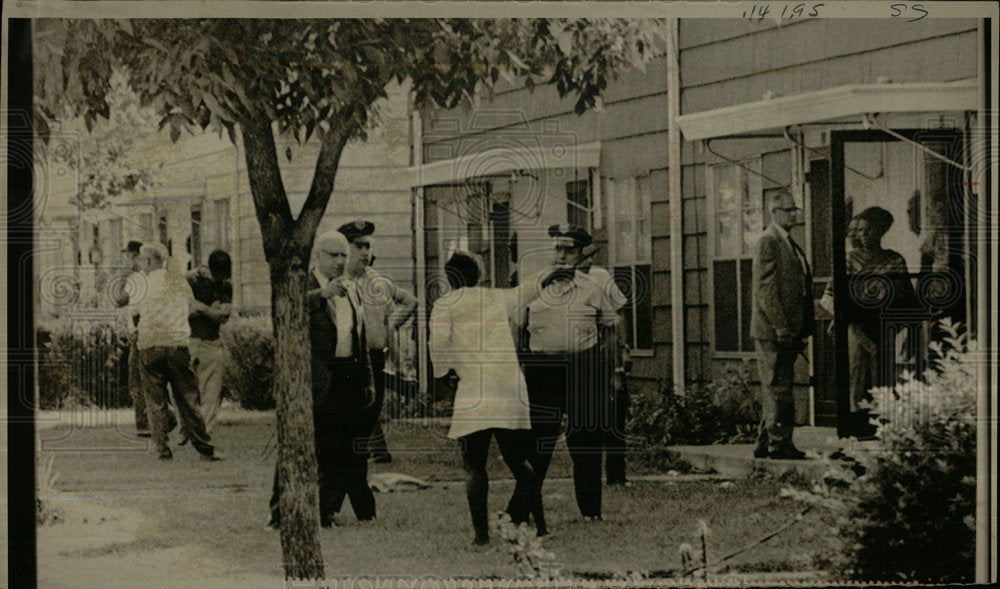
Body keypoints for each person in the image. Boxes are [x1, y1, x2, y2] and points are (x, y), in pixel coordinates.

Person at [430, 250, 547, 544]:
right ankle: (528, 520)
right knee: (519, 462)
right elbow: (528, 289)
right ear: (479, 276)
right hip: (509, 387)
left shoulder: (446, 304)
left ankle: (481, 536)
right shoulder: (496, 297)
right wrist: (555, 270)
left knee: (474, 464)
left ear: (449, 279)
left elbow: (438, 343)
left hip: (475, 389)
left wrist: (443, 377)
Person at [267, 231, 377, 528]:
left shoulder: (351, 288)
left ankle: (324, 511)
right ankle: (280, 512)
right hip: (314, 379)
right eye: (333, 255)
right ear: (317, 255)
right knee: (301, 443)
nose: (339, 261)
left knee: (339, 448)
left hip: (347, 376)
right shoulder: (303, 284)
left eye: (343, 255)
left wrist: (367, 379)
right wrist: (320, 296)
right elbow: (284, 310)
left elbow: (359, 335)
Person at [518, 224, 624, 522]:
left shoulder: (592, 288)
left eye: (570, 250)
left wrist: (614, 371)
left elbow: (610, 331)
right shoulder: (531, 287)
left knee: (587, 442)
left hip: (584, 367)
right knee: (537, 443)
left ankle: (591, 513)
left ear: (581, 255)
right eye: (558, 249)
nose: (563, 255)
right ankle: (526, 511)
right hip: (542, 370)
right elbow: (515, 329)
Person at [820, 207, 916, 434]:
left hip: (884, 328)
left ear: (881, 230)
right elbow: (828, 297)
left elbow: (906, 299)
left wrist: (899, 323)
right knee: (857, 379)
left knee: (884, 380)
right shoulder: (849, 260)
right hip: (856, 330)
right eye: (859, 230)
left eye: (868, 229)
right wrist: (845, 316)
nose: (863, 234)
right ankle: (856, 432)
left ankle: (884, 432)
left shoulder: (894, 260)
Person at [338, 220, 418, 464]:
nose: (365, 252)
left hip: (374, 356)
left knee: (370, 410)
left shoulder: (377, 282)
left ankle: (364, 457)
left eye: (368, 247)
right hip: (346, 358)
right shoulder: (338, 282)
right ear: (347, 248)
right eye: (360, 246)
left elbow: (408, 305)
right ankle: (358, 457)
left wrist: (391, 326)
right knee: (349, 412)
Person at [134, 242, 221, 462]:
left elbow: (133, 311)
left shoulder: (140, 282)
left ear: (148, 261)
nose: (139, 264)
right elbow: (192, 308)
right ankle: (205, 448)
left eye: (141, 260)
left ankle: (162, 449)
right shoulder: (179, 281)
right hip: (177, 345)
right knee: (188, 398)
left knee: (155, 400)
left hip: (150, 345)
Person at [750, 192, 814, 460]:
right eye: (788, 211)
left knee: (778, 384)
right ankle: (779, 445)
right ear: (773, 212)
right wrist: (781, 327)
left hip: (788, 327)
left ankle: (765, 442)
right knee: (778, 386)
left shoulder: (788, 242)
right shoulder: (768, 241)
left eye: (794, 210)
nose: (794, 215)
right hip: (773, 329)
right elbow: (766, 290)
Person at [578, 249, 631, 487]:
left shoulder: (600, 277)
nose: (589, 261)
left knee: (615, 414)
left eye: (590, 256)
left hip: (605, 355)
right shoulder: (556, 282)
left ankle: (616, 475)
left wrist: (623, 352)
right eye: (583, 257)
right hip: (577, 360)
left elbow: (618, 316)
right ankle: (589, 478)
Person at [186, 249, 233, 435]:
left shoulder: (226, 285)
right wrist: (211, 310)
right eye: (217, 276)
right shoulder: (190, 280)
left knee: (212, 392)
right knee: (185, 390)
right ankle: (187, 428)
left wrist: (201, 308)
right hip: (189, 339)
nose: (220, 280)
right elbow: (184, 311)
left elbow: (224, 316)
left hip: (212, 342)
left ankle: (204, 434)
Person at [115, 240, 151, 437]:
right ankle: (161, 417)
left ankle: (144, 423)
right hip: (157, 330)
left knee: (136, 380)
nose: (127, 259)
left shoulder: (135, 278)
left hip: (139, 332)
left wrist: (122, 276)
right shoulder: (156, 276)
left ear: (136, 256)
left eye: (129, 255)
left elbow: (119, 300)